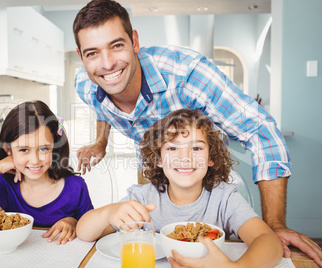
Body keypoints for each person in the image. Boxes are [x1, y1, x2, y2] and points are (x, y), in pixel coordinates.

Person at [72, 0, 322, 265]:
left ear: (134, 41)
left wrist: (274, 225)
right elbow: (102, 107)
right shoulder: (85, 85)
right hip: (156, 175)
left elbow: (262, 132)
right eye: (93, 53)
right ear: (82, 56)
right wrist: (101, 142)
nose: (107, 63)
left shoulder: (188, 74)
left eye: (116, 45)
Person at [76, 109, 284, 267]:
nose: (185, 158)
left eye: (196, 148)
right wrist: (109, 212)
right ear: (158, 159)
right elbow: (84, 232)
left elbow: (269, 242)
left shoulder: (224, 198)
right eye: (173, 148)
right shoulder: (141, 197)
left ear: (211, 157)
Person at [0, 100, 93, 245]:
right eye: (23, 150)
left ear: (55, 147)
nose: (34, 160)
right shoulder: (5, 185)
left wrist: (74, 223)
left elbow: (92, 230)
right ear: (8, 150)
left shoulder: (76, 187)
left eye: (44, 149)